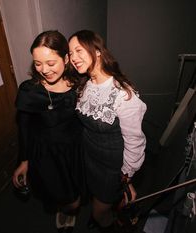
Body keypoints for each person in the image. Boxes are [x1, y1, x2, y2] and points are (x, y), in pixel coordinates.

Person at [68, 30, 147, 233]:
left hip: (111, 168)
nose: (73, 58)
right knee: (95, 197)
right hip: (90, 158)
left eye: (78, 50)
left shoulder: (123, 95)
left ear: (97, 51)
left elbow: (135, 142)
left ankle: (107, 223)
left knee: (99, 212)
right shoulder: (85, 84)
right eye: (71, 53)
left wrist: (126, 177)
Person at [12, 30, 83, 233]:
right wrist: (24, 161)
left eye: (51, 63)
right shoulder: (29, 90)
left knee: (74, 200)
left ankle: (67, 210)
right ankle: (62, 209)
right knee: (54, 193)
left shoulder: (80, 85)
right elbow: (23, 128)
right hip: (45, 154)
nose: (44, 69)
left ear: (66, 58)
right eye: (37, 63)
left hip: (74, 152)